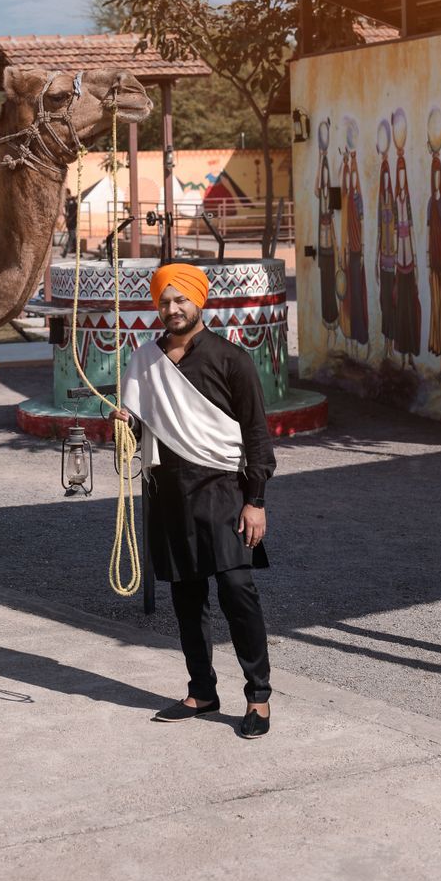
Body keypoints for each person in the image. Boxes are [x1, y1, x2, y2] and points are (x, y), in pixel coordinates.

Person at [112, 263, 275, 737]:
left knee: (237, 589)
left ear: (199, 300)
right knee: (186, 596)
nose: (173, 308)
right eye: (164, 300)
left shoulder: (231, 360)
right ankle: (202, 690)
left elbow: (258, 439)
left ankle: (258, 696)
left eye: (181, 299)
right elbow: (144, 426)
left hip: (224, 489)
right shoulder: (145, 360)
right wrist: (128, 425)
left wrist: (256, 500)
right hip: (169, 492)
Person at [61, 188, 79, 257]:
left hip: (73, 222)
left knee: (71, 236)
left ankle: (65, 252)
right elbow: (66, 212)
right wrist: (65, 216)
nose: (64, 195)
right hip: (68, 222)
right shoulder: (66, 201)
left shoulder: (73, 200)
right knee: (74, 237)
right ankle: (79, 253)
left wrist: (71, 218)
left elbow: (76, 210)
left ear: (68, 193)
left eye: (65, 193)